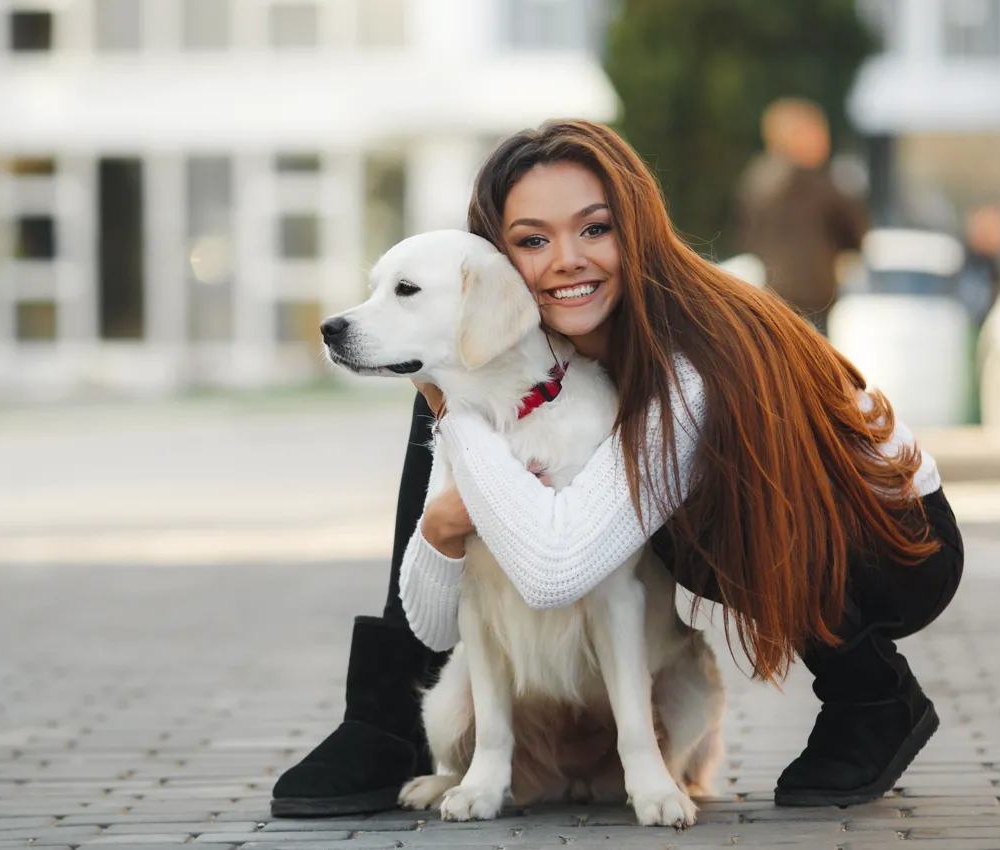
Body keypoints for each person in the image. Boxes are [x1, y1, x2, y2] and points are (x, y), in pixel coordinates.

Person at [272, 119, 964, 816]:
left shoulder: (690, 361)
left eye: (595, 229)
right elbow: (446, 607)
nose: (568, 258)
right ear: (500, 263)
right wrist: (446, 513)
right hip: (798, 525)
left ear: (637, 229)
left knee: (687, 525)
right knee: (455, 380)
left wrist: (457, 422)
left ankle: (870, 693)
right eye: (533, 240)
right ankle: (387, 718)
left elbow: (556, 568)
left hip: (893, 544)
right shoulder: (523, 340)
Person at [735, 97, 869, 335]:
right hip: (813, 293)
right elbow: (855, 232)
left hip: (770, 290)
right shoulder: (818, 183)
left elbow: (747, 237)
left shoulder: (757, 179)